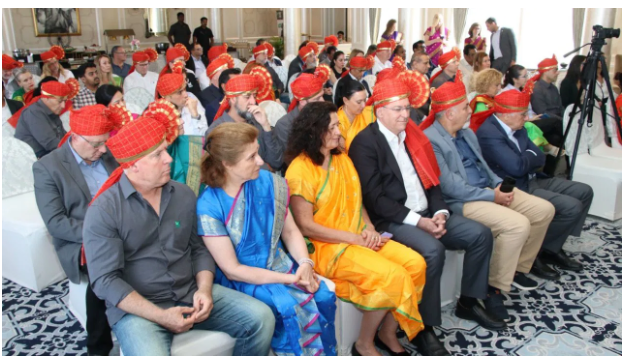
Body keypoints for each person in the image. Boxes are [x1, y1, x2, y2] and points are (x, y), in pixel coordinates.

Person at [82, 103, 276, 356]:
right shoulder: (104, 211)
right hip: (140, 310)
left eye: (165, 150)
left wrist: (205, 291)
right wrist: (160, 315)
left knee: (261, 318)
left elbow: (198, 249)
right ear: (132, 166)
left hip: (190, 292)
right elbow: (105, 281)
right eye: (158, 155)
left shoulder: (182, 194)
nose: (169, 159)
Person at [349, 78, 504, 355]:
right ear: (379, 111)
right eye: (397, 109)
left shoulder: (412, 135)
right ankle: (422, 328)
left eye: (407, 108)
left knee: (479, 234)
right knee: (432, 251)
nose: (405, 115)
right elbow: (375, 200)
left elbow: (432, 181)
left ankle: (468, 301)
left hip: (428, 212)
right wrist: (419, 221)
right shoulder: (365, 143)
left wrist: (441, 213)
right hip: (393, 219)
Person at [285, 102, 426, 356]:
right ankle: (364, 343)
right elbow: (306, 226)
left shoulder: (342, 159)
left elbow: (357, 201)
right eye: (332, 127)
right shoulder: (300, 171)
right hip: (328, 247)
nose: (339, 132)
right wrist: (355, 238)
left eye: (338, 125)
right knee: (392, 275)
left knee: (415, 264)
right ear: (313, 132)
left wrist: (370, 229)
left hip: (359, 234)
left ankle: (388, 332)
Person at [198, 123, 337, 356]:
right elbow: (233, 270)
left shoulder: (269, 182)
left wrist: (305, 264)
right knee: (286, 307)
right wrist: (291, 278)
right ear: (227, 164)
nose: (261, 161)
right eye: (251, 157)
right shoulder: (209, 205)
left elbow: (290, 232)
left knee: (323, 294)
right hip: (245, 279)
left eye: (258, 152)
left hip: (279, 263)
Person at [423, 87, 556, 313]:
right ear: (449, 113)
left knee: (544, 210)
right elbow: (450, 186)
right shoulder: (431, 140)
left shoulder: (467, 134)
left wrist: (498, 186)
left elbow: (483, 167)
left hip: (487, 189)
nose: (470, 110)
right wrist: (492, 195)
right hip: (462, 201)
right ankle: (492, 286)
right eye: (465, 107)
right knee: (518, 225)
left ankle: (517, 268)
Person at [33, 104, 130, 355]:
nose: (103, 149)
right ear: (75, 137)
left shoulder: (106, 153)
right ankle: (98, 346)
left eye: (105, 142)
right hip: (80, 240)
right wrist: (102, 233)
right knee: (106, 263)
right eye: (96, 144)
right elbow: (56, 223)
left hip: (122, 226)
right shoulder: (48, 167)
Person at [476, 90, 594, 277]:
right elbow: (516, 167)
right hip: (517, 187)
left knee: (584, 191)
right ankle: (540, 252)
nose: (527, 118)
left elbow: (539, 156)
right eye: (523, 114)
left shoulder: (518, 127)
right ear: (506, 115)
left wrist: (526, 158)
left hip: (534, 177)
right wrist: (527, 158)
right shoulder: (488, 132)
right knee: (572, 207)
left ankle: (550, 246)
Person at [208, 74, 283, 171]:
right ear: (233, 99)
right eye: (247, 97)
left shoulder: (257, 121)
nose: (253, 101)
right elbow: (225, 172)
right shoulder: (217, 131)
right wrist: (266, 168)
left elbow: (277, 162)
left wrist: (266, 126)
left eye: (254, 96)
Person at [274, 68, 327, 168]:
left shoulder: (323, 115)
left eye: (322, 96)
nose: (323, 101)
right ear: (302, 102)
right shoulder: (285, 125)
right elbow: (292, 160)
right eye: (317, 98)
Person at [503, 65, 563, 150]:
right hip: (524, 123)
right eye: (524, 76)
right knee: (556, 121)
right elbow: (511, 117)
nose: (527, 79)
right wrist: (529, 119)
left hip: (532, 118)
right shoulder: (508, 93)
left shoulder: (521, 90)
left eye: (527, 75)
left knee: (554, 137)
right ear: (515, 79)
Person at [15, 80, 78, 158]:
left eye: (65, 101)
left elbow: (64, 137)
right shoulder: (33, 112)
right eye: (60, 101)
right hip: (33, 159)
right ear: (46, 98)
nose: (63, 106)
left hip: (50, 156)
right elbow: (50, 143)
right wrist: (77, 151)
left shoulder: (51, 109)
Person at [156, 62, 207, 136]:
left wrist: (195, 116)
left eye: (185, 89)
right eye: (180, 92)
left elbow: (203, 136)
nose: (186, 95)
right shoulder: (158, 115)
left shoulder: (191, 101)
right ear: (166, 95)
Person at [336, 80, 374, 153]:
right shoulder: (338, 124)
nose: (363, 105)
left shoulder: (370, 112)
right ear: (345, 100)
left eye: (365, 100)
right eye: (359, 102)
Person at [200, 57, 237, 123]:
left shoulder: (232, 90)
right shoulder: (205, 95)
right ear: (213, 75)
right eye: (224, 71)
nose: (227, 74)